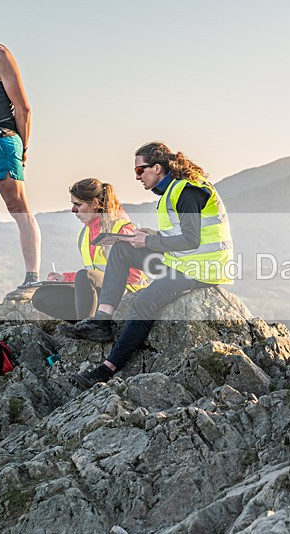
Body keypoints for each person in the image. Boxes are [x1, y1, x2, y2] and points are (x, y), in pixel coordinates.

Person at [61, 142, 233, 389]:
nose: (137, 177)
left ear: (157, 168)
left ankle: (107, 369)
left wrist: (149, 241)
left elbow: (191, 240)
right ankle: (101, 322)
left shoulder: (187, 191)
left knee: (144, 302)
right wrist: (152, 235)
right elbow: (183, 234)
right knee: (121, 249)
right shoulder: (174, 190)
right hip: (183, 261)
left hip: (202, 268)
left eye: (140, 170)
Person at [0, 2, 41, 304]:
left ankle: (32, 278)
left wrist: (23, 147)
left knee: (18, 207)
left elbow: (23, 107)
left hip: (0, 138)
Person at [31, 178, 146, 321]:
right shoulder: (84, 234)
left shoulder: (121, 228)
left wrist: (89, 279)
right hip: (98, 291)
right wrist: (65, 278)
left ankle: (86, 326)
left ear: (95, 204)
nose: (73, 210)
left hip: (125, 292)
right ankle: (83, 323)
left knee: (85, 276)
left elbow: (134, 277)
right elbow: (91, 275)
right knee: (41, 296)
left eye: (78, 204)